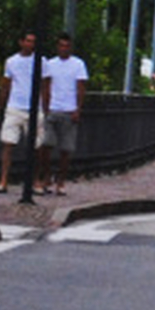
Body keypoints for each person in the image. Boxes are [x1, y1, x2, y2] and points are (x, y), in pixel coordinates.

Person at [0, 32, 44, 193]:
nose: (30, 44)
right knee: (8, 143)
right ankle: (3, 180)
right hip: (15, 106)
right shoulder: (12, 62)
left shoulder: (41, 61)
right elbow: (6, 85)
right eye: (28, 41)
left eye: (33, 42)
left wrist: (46, 107)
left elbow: (46, 85)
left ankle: (35, 180)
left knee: (36, 147)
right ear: (21, 42)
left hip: (35, 107)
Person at [41, 34, 89, 194]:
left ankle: (61, 180)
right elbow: (46, 86)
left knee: (66, 149)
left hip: (69, 109)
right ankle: (47, 176)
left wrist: (78, 108)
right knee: (46, 144)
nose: (64, 49)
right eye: (61, 45)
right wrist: (45, 107)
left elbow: (81, 87)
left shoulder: (78, 64)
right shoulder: (50, 64)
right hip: (53, 108)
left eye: (66, 46)